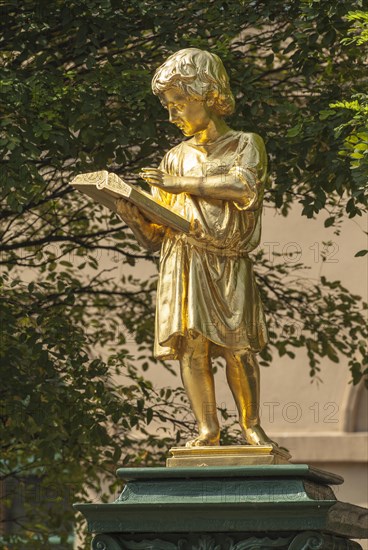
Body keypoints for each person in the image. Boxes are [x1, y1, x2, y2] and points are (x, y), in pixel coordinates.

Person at [117, 48, 274, 447]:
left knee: (238, 348)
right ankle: (208, 430)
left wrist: (180, 186)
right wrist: (132, 214)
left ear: (206, 94)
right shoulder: (173, 158)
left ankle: (251, 427)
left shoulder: (245, 144)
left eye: (180, 104)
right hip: (182, 258)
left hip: (227, 259)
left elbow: (244, 188)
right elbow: (155, 237)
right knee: (192, 348)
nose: (173, 116)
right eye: (169, 106)